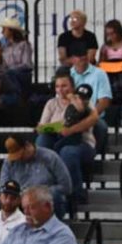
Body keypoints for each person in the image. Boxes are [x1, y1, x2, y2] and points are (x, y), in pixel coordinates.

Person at [36, 73, 99, 204]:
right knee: (42, 142)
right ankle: (43, 186)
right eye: (57, 86)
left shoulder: (83, 101)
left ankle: (75, 194)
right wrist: (59, 127)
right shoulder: (51, 103)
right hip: (57, 139)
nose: (60, 89)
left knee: (68, 152)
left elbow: (93, 118)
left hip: (81, 142)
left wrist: (70, 129)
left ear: (72, 86)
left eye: (64, 86)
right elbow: (41, 128)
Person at [0, 135, 72, 217]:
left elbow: (66, 186)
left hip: (43, 197)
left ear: (27, 146)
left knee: (55, 198)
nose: (19, 159)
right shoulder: (9, 162)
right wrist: (8, 197)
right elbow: (3, 186)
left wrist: (39, 193)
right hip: (19, 199)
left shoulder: (50, 157)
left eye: (21, 155)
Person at [69, 42, 112, 154]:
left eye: (84, 54)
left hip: (94, 115)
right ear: (72, 59)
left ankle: (93, 156)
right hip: (70, 117)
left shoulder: (100, 74)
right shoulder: (68, 75)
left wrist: (90, 116)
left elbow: (105, 101)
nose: (83, 57)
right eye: (79, 55)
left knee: (101, 127)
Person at [99, 19, 122, 107]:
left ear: (119, 32)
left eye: (113, 33)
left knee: (121, 83)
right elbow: (101, 62)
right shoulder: (105, 47)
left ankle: (120, 102)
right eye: (108, 34)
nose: (111, 36)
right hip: (109, 69)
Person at [0, 16, 33, 97]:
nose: (2, 32)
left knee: (9, 74)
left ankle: (16, 96)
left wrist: (10, 70)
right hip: (9, 75)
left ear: (11, 31)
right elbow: (4, 64)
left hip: (22, 75)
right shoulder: (4, 47)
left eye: (4, 29)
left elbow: (27, 64)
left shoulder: (24, 44)